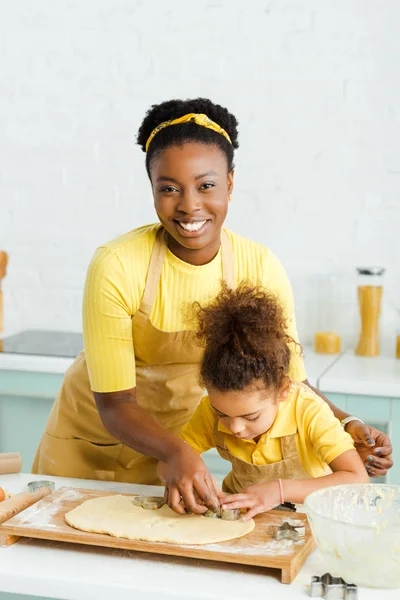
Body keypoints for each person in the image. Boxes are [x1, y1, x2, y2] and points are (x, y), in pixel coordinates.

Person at [32, 97, 392, 515]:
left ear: (231, 184)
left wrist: (348, 427)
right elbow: (116, 404)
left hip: (189, 442)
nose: (189, 206)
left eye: (206, 185)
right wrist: (176, 453)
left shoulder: (259, 267)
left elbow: (289, 382)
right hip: (95, 441)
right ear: (151, 189)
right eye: (169, 188)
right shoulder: (116, 265)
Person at [169, 283, 368, 519]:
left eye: (251, 416)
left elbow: (357, 480)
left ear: (283, 390)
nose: (235, 428)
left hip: (308, 519)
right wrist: (188, 478)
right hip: (244, 517)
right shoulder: (210, 411)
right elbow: (170, 460)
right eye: (222, 415)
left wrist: (279, 491)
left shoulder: (308, 411)